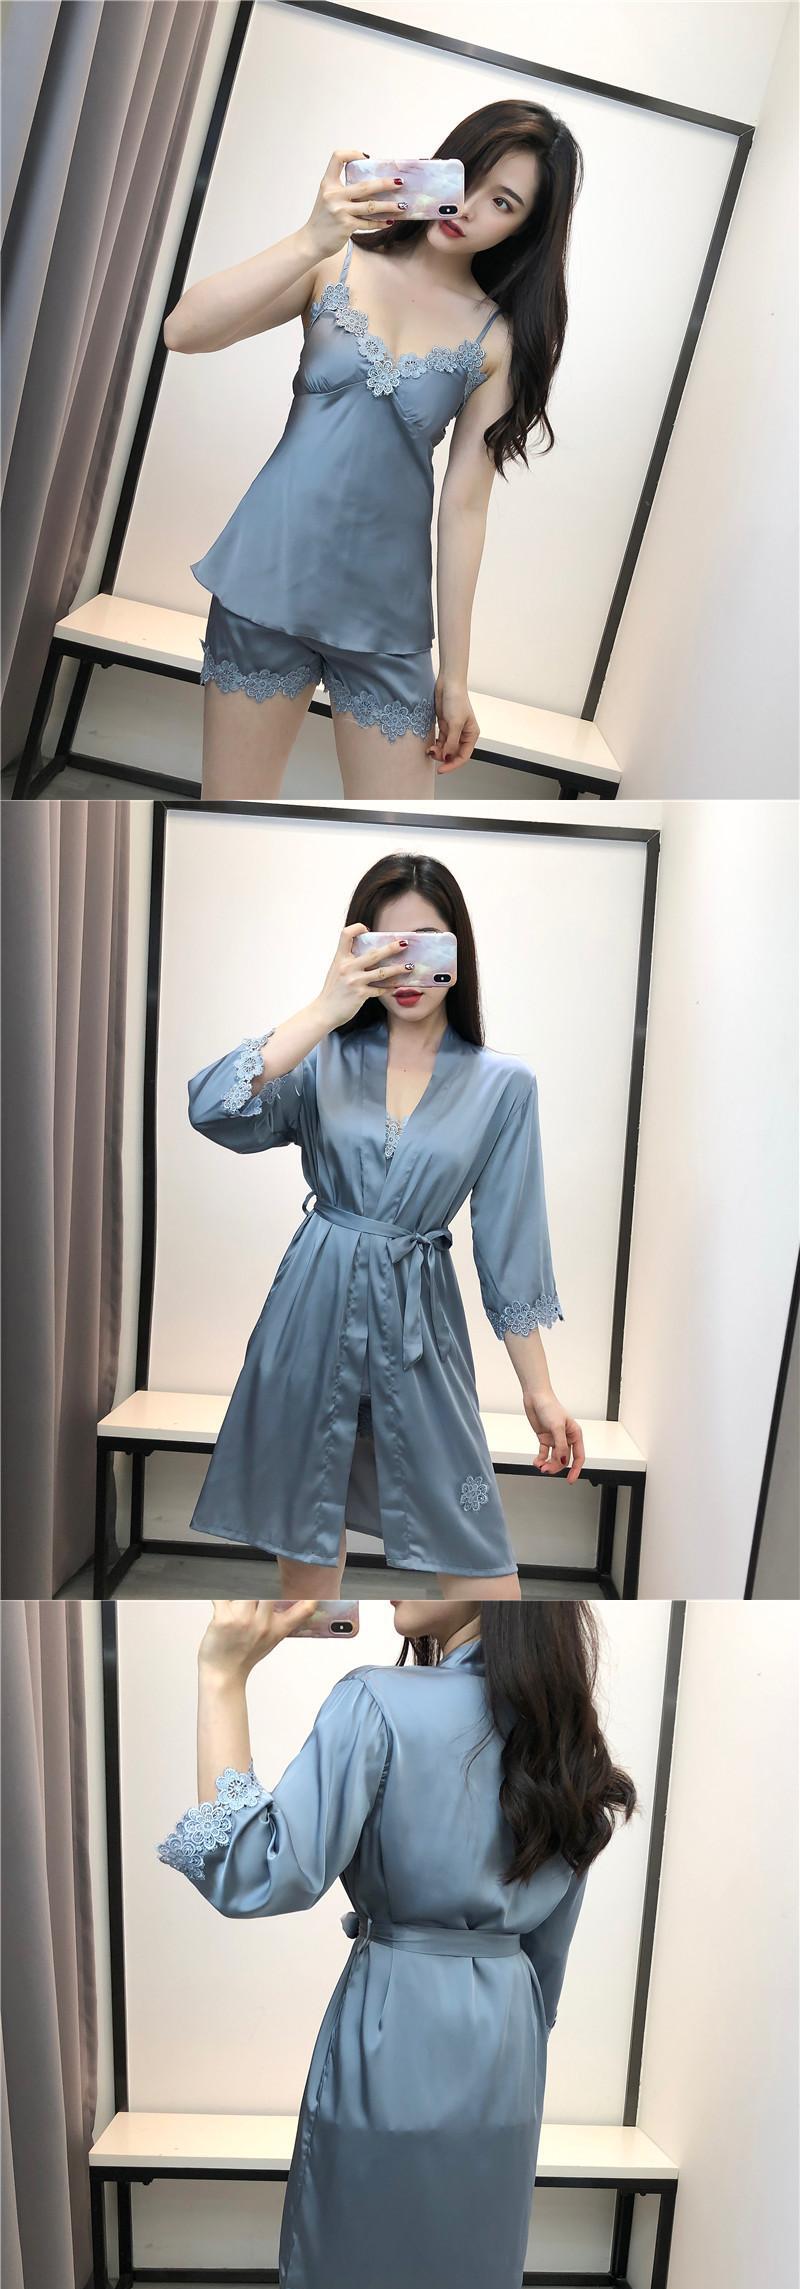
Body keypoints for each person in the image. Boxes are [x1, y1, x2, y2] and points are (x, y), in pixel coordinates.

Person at [157, 1596, 637, 2289]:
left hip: (397, 2042)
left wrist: (222, 1674)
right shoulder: (565, 1737)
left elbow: (252, 1871)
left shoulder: (377, 1701)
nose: (394, 1581)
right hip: (506, 2060)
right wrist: (515, 2048)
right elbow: (547, 1957)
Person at [187, 850, 584, 1593]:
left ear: (458, 953)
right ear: (357, 952)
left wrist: (539, 1391)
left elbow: (510, 1249)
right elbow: (213, 1108)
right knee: (307, 1575)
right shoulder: (322, 1060)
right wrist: (322, 1009)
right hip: (311, 1316)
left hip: (418, 1328)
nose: (407, 967)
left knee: (481, 1573)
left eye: (426, 944)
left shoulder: (503, 1085)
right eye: (385, 946)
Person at [164, 100, 582, 799]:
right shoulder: (335, 261)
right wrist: (312, 236)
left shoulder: (497, 339)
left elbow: (465, 508)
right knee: (235, 807)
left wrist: (455, 677)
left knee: (398, 829)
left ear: (524, 228)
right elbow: (183, 332)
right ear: (441, 165)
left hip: (387, 617)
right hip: (266, 576)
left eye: (503, 202)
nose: (470, 207)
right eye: (470, 177)